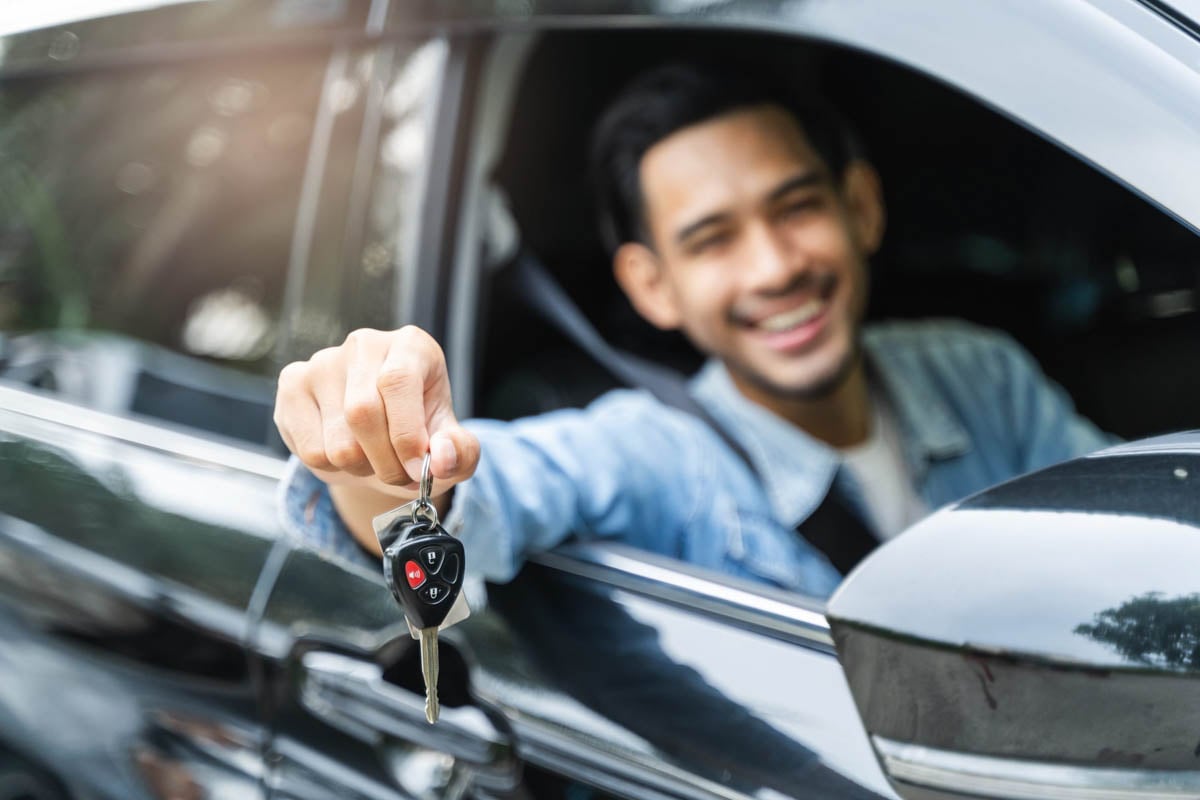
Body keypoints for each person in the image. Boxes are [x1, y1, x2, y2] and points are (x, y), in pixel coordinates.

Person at [273, 64, 1109, 597]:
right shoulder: (654, 455)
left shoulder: (979, 372)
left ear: (861, 206)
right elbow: (495, 493)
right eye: (712, 241)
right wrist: (382, 456)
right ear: (653, 286)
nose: (774, 267)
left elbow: (1122, 531)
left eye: (798, 208)